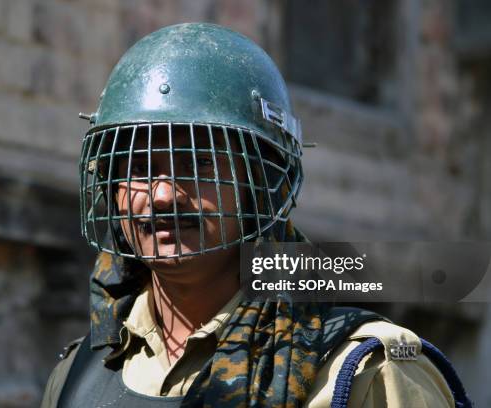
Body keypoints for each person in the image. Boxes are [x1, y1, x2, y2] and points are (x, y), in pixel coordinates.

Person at [41, 23, 469, 407]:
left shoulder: (364, 371)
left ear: (262, 186)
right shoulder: (78, 375)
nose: (165, 194)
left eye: (199, 163)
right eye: (138, 167)